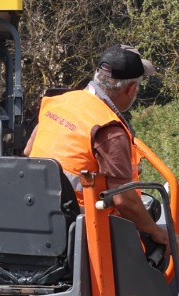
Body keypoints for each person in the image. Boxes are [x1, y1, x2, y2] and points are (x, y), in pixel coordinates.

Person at [25, 44, 170, 250]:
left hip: (35, 214)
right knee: (162, 247)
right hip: (84, 233)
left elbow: (28, 151)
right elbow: (124, 201)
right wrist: (155, 231)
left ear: (97, 74)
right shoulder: (109, 129)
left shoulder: (59, 102)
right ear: (131, 89)